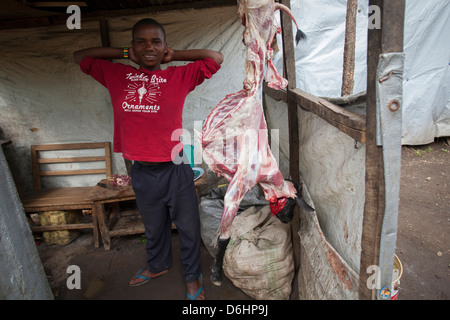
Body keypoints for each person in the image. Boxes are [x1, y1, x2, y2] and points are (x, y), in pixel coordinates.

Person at [73, 18, 223, 300]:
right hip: (141, 170)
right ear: (132, 46)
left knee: (189, 228)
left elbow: (216, 57)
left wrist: (174, 55)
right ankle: (158, 266)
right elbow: (80, 56)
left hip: (176, 168)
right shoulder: (117, 74)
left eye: (156, 42)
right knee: (154, 226)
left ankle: (192, 277)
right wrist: (125, 54)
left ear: (164, 46)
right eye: (141, 42)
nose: (148, 47)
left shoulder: (178, 76)